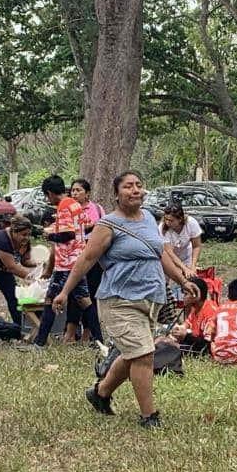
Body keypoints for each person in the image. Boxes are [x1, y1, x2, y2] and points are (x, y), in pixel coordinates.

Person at [51, 170, 199, 428]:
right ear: (117, 194)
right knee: (144, 354)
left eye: (139, 185)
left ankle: (100, 394)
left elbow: (160, 255)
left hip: (151, 298)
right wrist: (64, 291)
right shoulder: (107, 225)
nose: (135, 190)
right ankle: (149, 416)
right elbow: (86, 259)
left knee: (133, 353)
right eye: (128, 186)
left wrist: (183, 281)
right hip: (119, 299)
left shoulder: (150, 219)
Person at [28, 175, 103, 350]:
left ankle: (40, 343)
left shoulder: (62, 206)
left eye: (47, 196)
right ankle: (99, 341)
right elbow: (88, 224)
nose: (48, 200)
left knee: (54, 300)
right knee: (82, 301)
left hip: (67, 263)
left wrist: (50, 235)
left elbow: (68, 234)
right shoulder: (75, 204)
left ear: (50, 193)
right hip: (77, 259)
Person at [64, 178, 105, 344]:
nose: (74, 193)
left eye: (78, 190)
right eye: (73, 190)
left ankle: (88, 334)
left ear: (87, 193)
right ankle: (70, 332)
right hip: (74, 255)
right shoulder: (68, 209)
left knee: (91, 293)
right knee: (74, 293)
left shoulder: (94, 209)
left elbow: (94, 227)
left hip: (93, 256)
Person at [169, 277, 217, 355]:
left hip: (210, 349)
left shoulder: (210, 312)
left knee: (171, 351)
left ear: (196, 295)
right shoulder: (195, 308)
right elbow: (185, 326)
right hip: (199, 345)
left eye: (185, 294)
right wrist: (178, 330)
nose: (182, 297)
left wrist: (185, 336)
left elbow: (208, 346)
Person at [159, 203, 202, 275]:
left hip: (186, 256)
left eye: (171, 220)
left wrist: (193, 265)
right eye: (166, 219)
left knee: (189, 276)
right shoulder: (162, 228)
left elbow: (196, 246)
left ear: (180, 219)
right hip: (170, 258)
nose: (167, 222)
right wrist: (183, 268)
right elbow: (170, 253)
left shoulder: (191, 223)